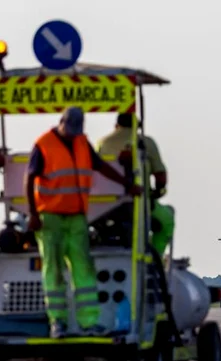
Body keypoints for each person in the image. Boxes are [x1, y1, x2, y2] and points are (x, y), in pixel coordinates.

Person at [24, 107, 142, 338]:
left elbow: (99, 165)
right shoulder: (44, 144)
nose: (72, 134)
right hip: (51, 218)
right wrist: (33, 214)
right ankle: (57, 323)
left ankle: (89, 322)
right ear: (61, 123)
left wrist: (126, 184)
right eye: (69, 130)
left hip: (77, 216)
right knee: (54, 270)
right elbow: (29, 178)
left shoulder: (81, 142)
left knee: (84, 269)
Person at [95, 113, 175, 257]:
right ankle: (155, 259)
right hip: (138, 202)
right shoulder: (145, 142)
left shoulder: (102, 143)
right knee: (167, 221)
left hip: (103, 207)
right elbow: (160, 176)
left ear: (116, 126)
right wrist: (158, 190)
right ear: (137, 127)